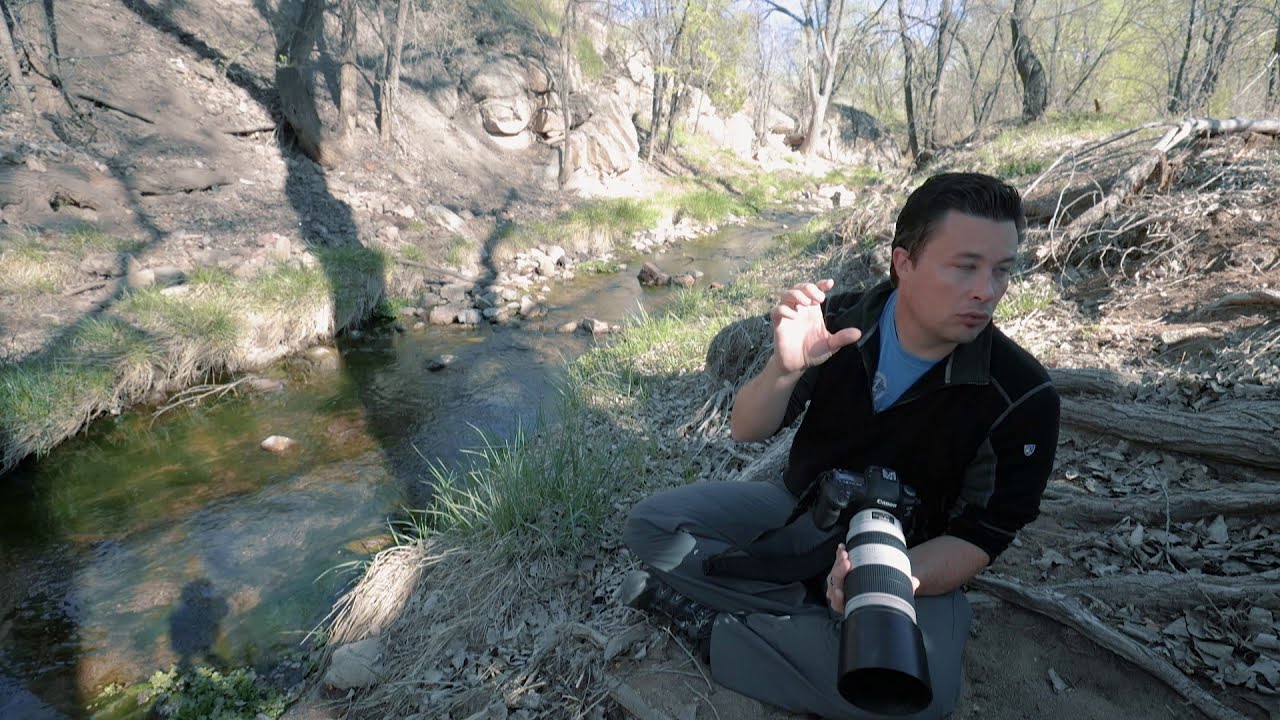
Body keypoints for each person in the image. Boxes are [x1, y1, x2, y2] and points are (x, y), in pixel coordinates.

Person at [620, 172, 1061, 719]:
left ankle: (718, 631)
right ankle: (811, 618)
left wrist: (883, 579)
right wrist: (785, 368)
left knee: (924, 697)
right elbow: (746, 429)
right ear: (904, 263)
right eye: (965, 266)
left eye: (1002, 270)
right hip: (801, 510)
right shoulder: (842, 322)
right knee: (651, 527)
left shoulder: (1023, 396)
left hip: (911, 557)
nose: (986, 290)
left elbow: (980, 539)